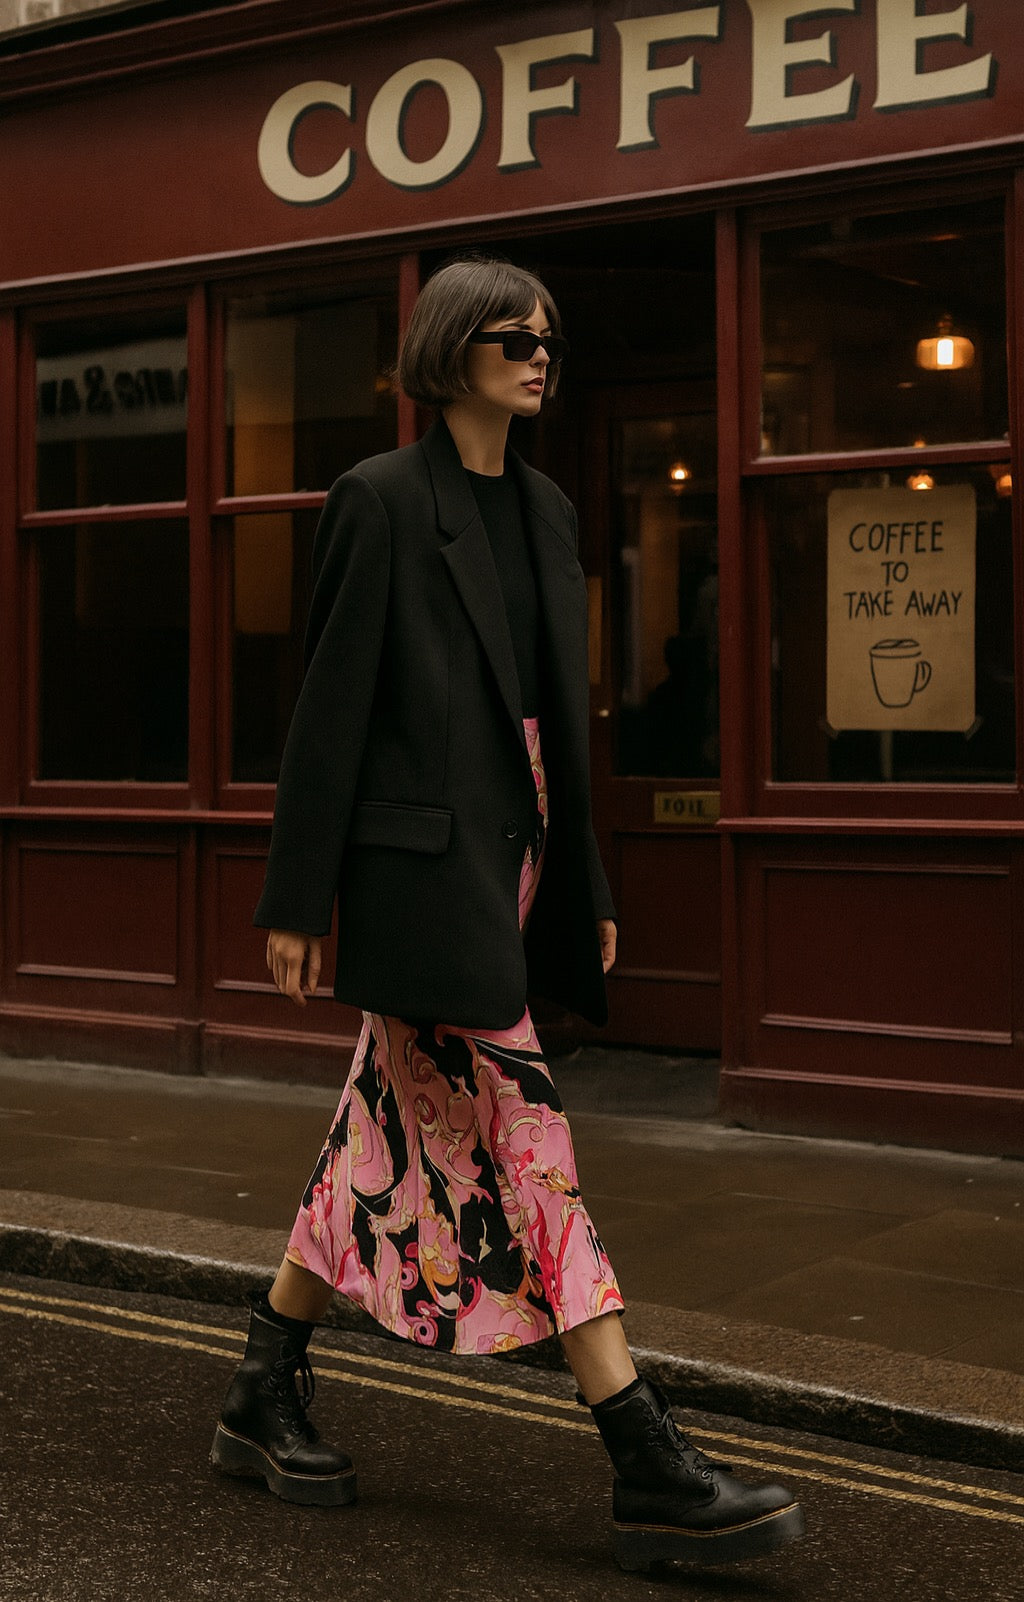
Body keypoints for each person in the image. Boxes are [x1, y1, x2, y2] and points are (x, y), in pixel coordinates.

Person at [210, 256, 804, 1571]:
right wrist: (299, 895)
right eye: (513, 336)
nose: (541, 354)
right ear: (448, 350)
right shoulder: (378, 502)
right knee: (528, 1134)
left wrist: (585, 884)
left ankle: (261, 1385)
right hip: (424, 883)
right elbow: (330, 712)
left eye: (549, 337)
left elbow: (561, 727)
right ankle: (639, 1446)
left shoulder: (544, 509)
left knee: (378, 1125)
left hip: (519, 874)